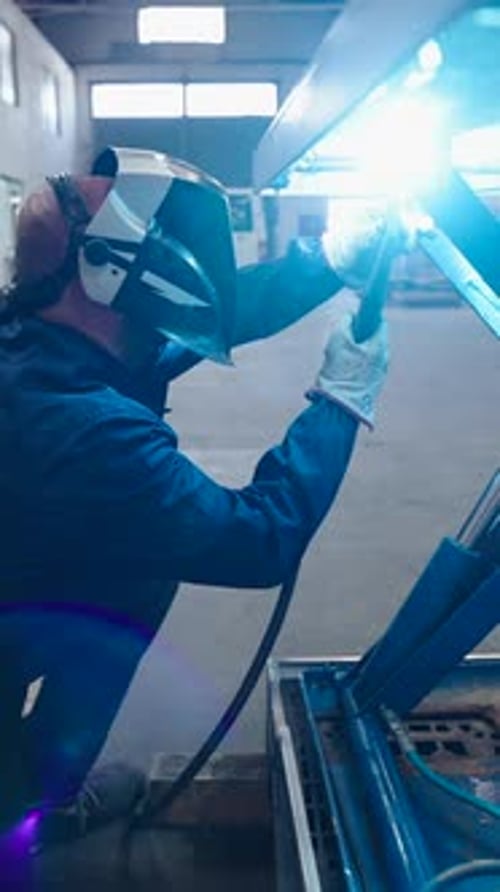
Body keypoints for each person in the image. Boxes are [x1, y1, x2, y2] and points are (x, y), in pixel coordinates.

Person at [0, 146, 391, 842]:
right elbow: (259, 537)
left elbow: (205, 317)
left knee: (137, 568)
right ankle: (27, 803)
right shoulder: (89, 432)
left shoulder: (35, 331)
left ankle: (42, 788)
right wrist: (339, 400)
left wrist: (325, 261)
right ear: (107, 269)